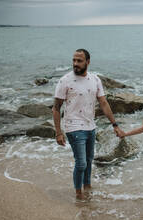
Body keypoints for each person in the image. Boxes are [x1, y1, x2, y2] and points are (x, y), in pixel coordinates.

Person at [52, 48, 124, 200]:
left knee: (90, 159)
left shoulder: (95, 79)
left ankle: (87, 186)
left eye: (79, 61)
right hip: (73, 127)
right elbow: (56, 107)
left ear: (88, 62)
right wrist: (58, 132)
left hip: (90, 126)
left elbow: (103, 103)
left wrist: (115, 124)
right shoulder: (65, 80)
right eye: (74, 60)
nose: (75, 64)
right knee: (81, 163)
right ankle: (79, 194)